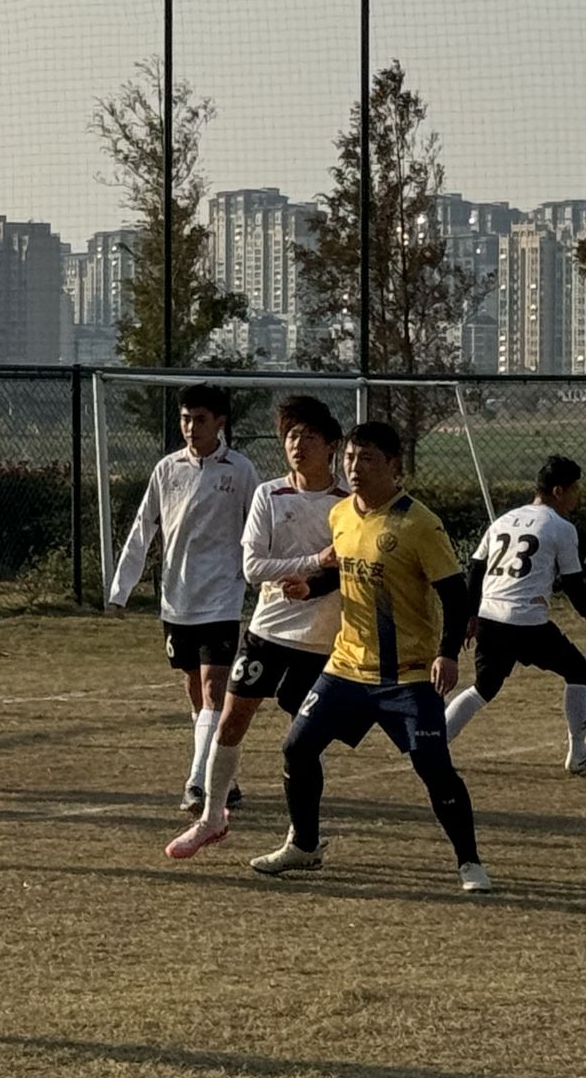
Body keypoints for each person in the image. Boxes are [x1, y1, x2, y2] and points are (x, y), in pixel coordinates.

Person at [249, 421, 490, 893]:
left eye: (368, 459)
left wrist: (447, 655)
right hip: (346, 666)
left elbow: (455, 595)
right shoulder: (340, 514)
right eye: (350, 459)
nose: (354, 468)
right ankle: (304, 845)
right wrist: (311, 586)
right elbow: (344, 570)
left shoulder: (419, 524)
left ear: (394, 466)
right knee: (297, 747)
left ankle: (469, 862)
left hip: (407, 674)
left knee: (432, 765)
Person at [167, 395, 346, 859]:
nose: (298, 445)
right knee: (230, 721)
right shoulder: (269, 494)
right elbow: (253, 567)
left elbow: (348, 567)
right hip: (267, 631)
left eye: (309, 436)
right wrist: (315, 560)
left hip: (320, 638)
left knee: (303, 742)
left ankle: (302, 837)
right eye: (291, 436)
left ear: (331, 445)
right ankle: (212, 818)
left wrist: (315, 575)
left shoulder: (347, 504)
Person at [106, 383, 259, 813]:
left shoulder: (240, 471)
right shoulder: (167, 468)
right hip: (176, 599)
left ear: (220, 422)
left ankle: (197, 783)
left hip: (222, 597)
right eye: (185, 419)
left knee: (214, 689)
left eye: (201, 419)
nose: (191, 427)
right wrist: (120, 591)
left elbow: (258, 529)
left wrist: (264, 577)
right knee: (196, 693)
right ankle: (223, 776)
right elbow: (143, 529)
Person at [444, 455, 586, 773]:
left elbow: (476, 569)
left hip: (491, 617)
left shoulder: (503, 521)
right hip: (526, 622)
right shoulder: (561, 527)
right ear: (559, 491)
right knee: (578, 670)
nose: (577, 497)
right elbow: (573, 580)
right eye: (575, 489)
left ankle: (434, 745)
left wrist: (471, 615)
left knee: (483, 688)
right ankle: (579, 754)